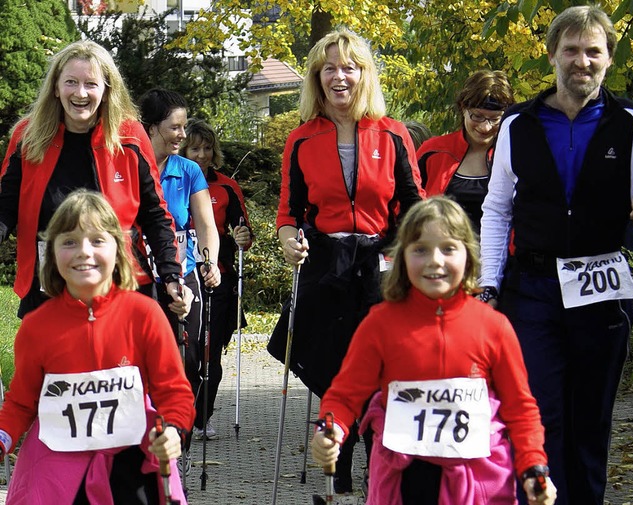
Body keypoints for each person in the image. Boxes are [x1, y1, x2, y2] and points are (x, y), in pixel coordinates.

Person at [479, 6, 633, 504]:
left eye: (594, 51)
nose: (581, 61)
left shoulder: (631, 124)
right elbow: (496, 210)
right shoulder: (518, 125)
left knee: (591, 421)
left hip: (603, 286)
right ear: (551, 55)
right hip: (533, 291)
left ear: (610, 59)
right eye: (571, 50)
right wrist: (489, 285)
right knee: (540, 416)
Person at [311, 196, 557, 505]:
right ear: (402, 258)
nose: (435, 261)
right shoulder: (379, 325)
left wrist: (534, 468)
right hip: (402, 482)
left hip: (480, 483)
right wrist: (329, 428)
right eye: (421, 249)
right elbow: (345, 395)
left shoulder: (495, 327)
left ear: (469, 255)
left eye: (448, 248)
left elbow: (520, 409)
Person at [267, 28, 425, 494]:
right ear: (317, 78)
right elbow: (289, 212)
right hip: (325, 262)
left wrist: (405, 253)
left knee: (380, 365)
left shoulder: (393, 133)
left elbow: (415, 206)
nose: (340, 77)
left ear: (364, 75)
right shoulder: (300, 139)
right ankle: (340, 456)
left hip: (380, 261)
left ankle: (378, 456)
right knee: (332, 364)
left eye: (349, 68)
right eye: (329, 68)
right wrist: (288, 239)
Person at [0, 189, 195, 504]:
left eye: (97, 240)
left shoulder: (143, 314)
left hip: (134, 461)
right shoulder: (36, 327)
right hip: (55, 467)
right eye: (69, 242)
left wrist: (173, 430)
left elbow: (173, 391)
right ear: (51, 253)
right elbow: (21, 404)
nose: (83, 252)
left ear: (118, 250)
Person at [0, 40, 190, 320]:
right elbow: (5, 208)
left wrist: (172, 276)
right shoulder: (27, 137)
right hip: (48, 285)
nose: (80, 93)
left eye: (91, 84)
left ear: (106, 90)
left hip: (121, 283)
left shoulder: (131, 136)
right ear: (55, 88)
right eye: (71, 82)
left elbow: (155, 214)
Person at [139, 88, 221, 472]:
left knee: (186, 361)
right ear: (151, 127)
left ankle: (178, 443)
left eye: (184, 127)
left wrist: (211, 262)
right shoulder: (129, 163)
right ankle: (140, 440)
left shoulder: (188, 171)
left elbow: (206, 224)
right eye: (174, 127)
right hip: (137, 276)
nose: (181, 136)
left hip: (183, 274)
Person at [180, 118, 253, 440]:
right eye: (195, 148)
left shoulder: (225, 186)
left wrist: (242, 236)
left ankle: (203, 415)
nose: (202, 154)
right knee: (187, 353)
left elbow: (244, 232)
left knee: (211, 354)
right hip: (181, 276)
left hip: (218, 278)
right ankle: (183, 413)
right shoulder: (172, 178)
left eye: (207, 148)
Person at [416, 70, 514, 231]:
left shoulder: (514, 155)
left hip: (498, 254)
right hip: (441, 252)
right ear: (463, 108)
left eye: (495, 119)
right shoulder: (433, 151)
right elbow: (405, 207)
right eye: (477, 116)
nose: (485, 127)